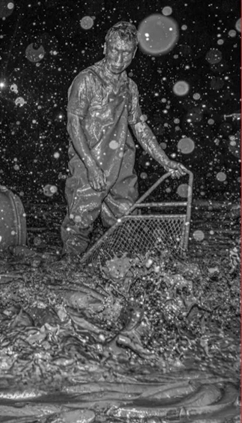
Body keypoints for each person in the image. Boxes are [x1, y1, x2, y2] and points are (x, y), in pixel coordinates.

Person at [61, 21, 190, 257]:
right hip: (89, 159)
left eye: (126, 53)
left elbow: (139, 126)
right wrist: (91, 165)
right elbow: (73, 124)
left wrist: (165, 161)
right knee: (80, 219)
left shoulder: (130, 87)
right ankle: (70, 268)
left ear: (134, 53)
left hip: (121, 163)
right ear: (104, 47)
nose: (119, 59)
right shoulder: (86, 80)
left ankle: (117, 266)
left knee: (126, 220)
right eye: (114, 50)